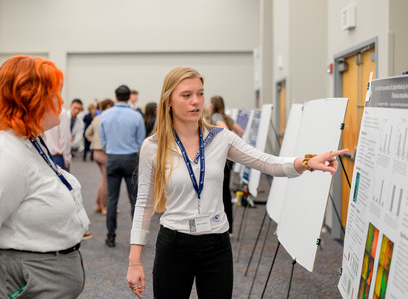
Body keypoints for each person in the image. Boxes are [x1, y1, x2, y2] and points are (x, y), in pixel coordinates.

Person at [126, 66, 347, 298]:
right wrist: (134, 262)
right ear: (168, 100)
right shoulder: (153, 147)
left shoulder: (220, 138)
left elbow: (268, 163)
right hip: (174, 244)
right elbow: (144, 204)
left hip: (216, 245)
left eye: (200, 94)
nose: (196, 102)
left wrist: (307, 162)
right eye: (186, 95)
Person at [0, 55, 89, 298]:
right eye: (55, 93)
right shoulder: (1, 154)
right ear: (30, 99)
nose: (61, 101)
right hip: (22, 281)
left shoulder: (27, 140)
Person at [99, 85, 145, 248]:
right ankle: (136, 239)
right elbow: (141, 140)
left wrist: (110, 149)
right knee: (135, 200)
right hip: (130, 158)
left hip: (112, 158)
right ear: (128, 97)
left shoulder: (105, 115)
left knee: (112, 199)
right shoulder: (136, 116)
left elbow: (102, 139)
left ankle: (110, 237)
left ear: (116, 97)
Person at [209, 95, 244, 235]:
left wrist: (224, 145)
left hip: (222, 159)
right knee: (225, 192)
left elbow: (225, 131)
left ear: (214, 104)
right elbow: (240, 131)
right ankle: (228, 227)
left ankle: (224, 227)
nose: (209, 105)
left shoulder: (216, 116)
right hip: (228, 159)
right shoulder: (228, 117)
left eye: (210, 103)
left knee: (221, 192)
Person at [85, 98, 115, 215]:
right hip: (104, 152)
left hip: (95, 152)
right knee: (106, 180)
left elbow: (87, 134)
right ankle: (104, 206)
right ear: (108, 107)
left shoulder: (96, 118)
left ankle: (98, 204)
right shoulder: (108, 119)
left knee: (103, 179)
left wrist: (94, 141)